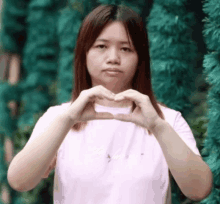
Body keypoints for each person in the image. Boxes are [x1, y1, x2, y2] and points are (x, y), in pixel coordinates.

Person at [7, 4, 207, 204]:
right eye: (101, 46)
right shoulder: (58, 117)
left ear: (140, 58)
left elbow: (199, 190)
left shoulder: (167, 120)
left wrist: (158, 126)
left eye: (126, 48)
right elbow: (19, 182)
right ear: (83, 54)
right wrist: (67, 120)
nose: (113, 58)